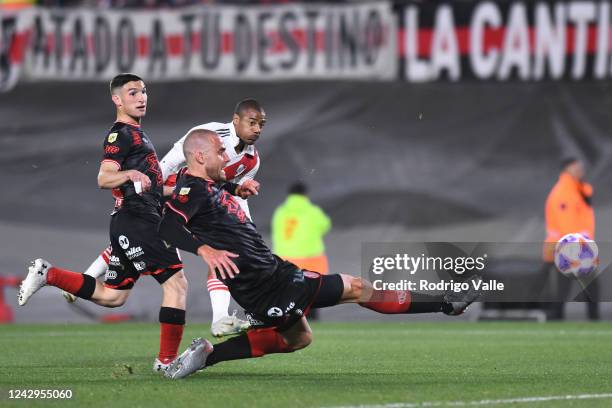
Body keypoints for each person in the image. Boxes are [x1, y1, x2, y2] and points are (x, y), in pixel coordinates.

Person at [157, 130, 480, 380]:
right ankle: (445, 303)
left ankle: (208, 355)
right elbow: (168, 226)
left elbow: (203, 194)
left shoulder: (206, 185)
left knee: (299, 339)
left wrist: (235, 189)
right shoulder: (193, 190)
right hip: (265, 284)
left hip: (273, 273)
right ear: (199, 155)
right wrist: (204, 249)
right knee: (356, 288)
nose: (226, 155)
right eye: (220, 150)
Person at [17, 74, 258, 373]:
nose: (141, 97)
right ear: (117, 100)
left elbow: (159, 189)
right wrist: (129, 175)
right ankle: (167, 362)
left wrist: (233, 189)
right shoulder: (122, 134)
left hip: (130, 221)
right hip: (139, 219)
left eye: (143, 91)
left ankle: (48, 273)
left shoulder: (138, 135)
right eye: (132, 93)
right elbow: (104, 178)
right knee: (177, 284)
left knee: (112, 296)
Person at [60, 99, 266, 338]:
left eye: (261, 124)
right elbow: (170, 160)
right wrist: (153, 193)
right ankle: (84, 279)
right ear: (236, 120)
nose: (257, 129)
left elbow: (237, 196)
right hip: (173, 196)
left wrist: (246, 227)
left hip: (201, 206)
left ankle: (220, 318)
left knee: (224, 251)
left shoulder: (252, 160)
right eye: (252, 123)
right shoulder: (209, 134)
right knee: (141, 251)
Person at [542, 157, 599, 320]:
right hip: (569, 248)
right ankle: (560, 318)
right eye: (576, 167)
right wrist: (578, 247)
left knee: (569, 288)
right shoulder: (564, 192)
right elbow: (566, 223)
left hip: (575, 247)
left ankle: (557, 318)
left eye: (581, 167)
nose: (581, 170)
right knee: (583, 287)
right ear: (567, 169)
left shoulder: (577, 190)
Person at [272, 181, 331, 319]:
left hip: (286, 259)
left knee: (289, 294)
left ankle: (291, 321)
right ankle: (311, 322)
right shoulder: (313, 211)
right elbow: (326, 225)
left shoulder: (280, 212)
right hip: (311, 258)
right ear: (305, 194)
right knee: (314, 293)